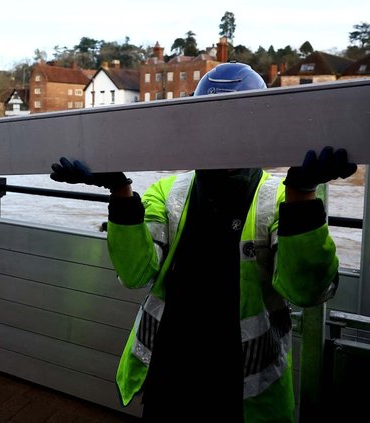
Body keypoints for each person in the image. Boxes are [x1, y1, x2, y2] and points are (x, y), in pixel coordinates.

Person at [50, 62, 357, 422]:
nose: (223, 135)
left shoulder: (280, 199)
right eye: (213, 122)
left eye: (236, 122)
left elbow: (306, 292)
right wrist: (121, 193)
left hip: (243, 394)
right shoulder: (168, 192)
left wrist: (302, 198)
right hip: (170, 382)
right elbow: (136, 274)